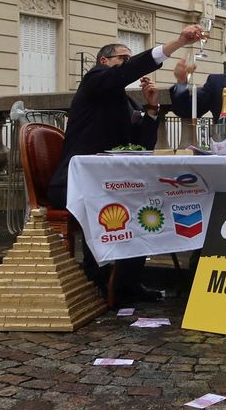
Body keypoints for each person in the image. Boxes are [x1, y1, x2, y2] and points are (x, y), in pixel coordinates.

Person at [48, 25, 203, 303]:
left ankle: (128, 282)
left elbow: (141, 146)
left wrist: (152, 108)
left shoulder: (127, 101)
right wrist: (177, 42)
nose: (128, 65)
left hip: (109, 181)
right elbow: (122, 74)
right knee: (117, 203)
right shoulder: (94, 80)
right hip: (74, 183)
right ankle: (100, 280)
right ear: (104, 62)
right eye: (123, 59)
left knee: (146, 204)